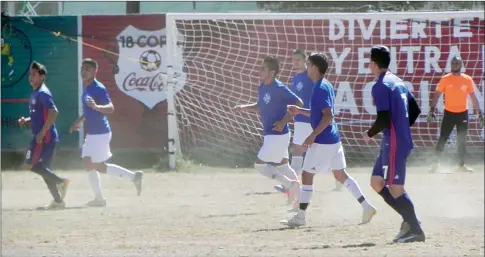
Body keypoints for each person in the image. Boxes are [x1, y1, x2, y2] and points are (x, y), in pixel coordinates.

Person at [281, 53, 376, 227]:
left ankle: (300, 217)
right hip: (333, 139)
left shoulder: (319, 88)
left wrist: (313, 135)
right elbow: (320, 114)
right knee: (341, 175)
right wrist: (300, 111)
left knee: (307, 175)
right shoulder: (326, 85)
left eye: (308, 65)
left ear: (315, 68)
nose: (307, 68)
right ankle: (367, 206)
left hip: (323, 141)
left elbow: (328, 116)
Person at [364, 46, 425, 243]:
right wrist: (400, 127)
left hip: (395, 142)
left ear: (374, 63)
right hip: (393, 139)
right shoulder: (398, 81)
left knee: (395, 188)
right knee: (376, 182)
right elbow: (415, 110)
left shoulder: (381, 85)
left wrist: (370, 133)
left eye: (370, 62)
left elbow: (383, 118)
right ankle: (411, 219)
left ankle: (415, 229)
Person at [70, 58, 143, 207]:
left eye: (87, 69)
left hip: (100, 133)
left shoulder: (98, 88)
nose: (84, 72)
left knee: (96, 166)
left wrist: (96, 106)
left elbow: (110, 108)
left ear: (95, 72)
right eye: (82, 68)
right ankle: (101, 197)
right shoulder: (87, 86)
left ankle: (133, 177)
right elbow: (88, 108)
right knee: (89, 164)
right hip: (94, 133)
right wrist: (80, 121)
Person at [234, 56, 301, 206]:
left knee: (259, 165)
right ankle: (299, 197)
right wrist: (245, 107)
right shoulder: (263, 86)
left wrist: (283, 121)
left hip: (278, 134)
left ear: (271, 72)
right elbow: (260, 105)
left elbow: (299, 103)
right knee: (284, 166)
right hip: (272, 135)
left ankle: (290, 186)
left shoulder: (279, 88)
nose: (259, 71)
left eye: (262, 68)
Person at [274, 49, 342, 195]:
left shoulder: (311, 77)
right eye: (293, 60)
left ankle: (291, 185)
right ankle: (338, 178)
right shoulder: (296, 77)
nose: (295, 62)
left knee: (300, 151)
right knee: (308, 152)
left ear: (306, 62)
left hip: (309, 120)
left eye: (298, 60)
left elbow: (321, 100)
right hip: (300, 119)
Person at [18, 61, 70, 209]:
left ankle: (60, 181)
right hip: (45, 137)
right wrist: (27, 120)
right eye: (30, 74)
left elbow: (54, 112)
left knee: (29, 165)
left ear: (42, 77)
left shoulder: (42, 93)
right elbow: (41, 115)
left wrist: (42, 132)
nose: (31, 77)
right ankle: (58, 201)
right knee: (44, 170)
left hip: (44, 138)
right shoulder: (36, 92)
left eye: (34, 74)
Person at [428, 56, 483, 173]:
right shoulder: (445, 79)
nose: (454, 65)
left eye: (456, 63)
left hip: (463, 114)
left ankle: (461, 165)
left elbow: (473, 97)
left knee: (461, 140)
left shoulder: (467, 79)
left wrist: (479, 113)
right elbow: (437, 95)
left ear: (461, 65)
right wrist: (431, 109)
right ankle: (436, 163)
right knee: (443, 138)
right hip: (449, 113)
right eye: (452, 63)